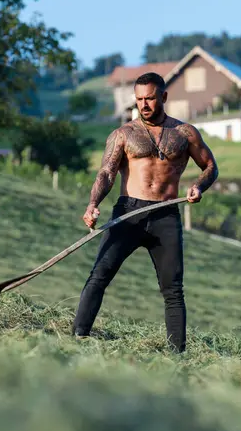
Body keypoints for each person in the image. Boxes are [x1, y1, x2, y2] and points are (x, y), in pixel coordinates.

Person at [72, 72, 219, 352]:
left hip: (165, 214)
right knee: (99, 275)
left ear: (163, 96)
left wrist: (199, 187)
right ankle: (78, 337)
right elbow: (106, 173)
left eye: (150, 98)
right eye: (139, 99)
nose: (144, 104)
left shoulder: (184, 133)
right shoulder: (123, 134)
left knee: (173, 289)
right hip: (129, 211)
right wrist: (93, 204)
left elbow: (210, 166)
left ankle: (177, 355)